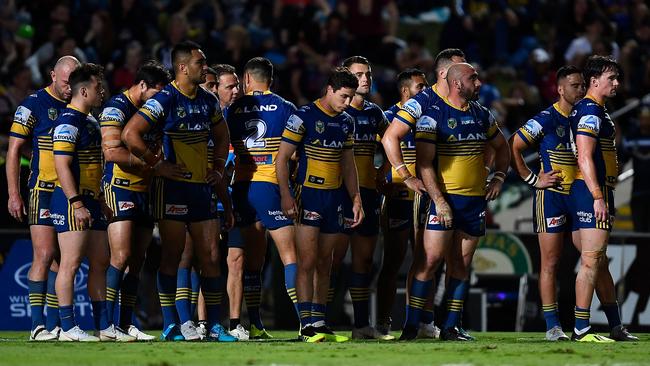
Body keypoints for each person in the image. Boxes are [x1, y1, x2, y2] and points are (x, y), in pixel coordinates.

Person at [122, 41, 233, 342]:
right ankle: (171, 324)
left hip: (201, 188)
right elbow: (130, 134)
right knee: (173, 255)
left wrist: (219, 168)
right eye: (200, 62)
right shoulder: (165, 100)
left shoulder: (208, 101)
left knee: (210, 256)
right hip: (172, 189)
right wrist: (157, 164)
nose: (205, 67)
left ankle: (214, 325)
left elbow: (223, 136)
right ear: (183, 67)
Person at [407, 63, 510, 341]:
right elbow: (424, 164)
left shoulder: (482, 114)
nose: (478, 82)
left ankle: (452, 327)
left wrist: (498, 177)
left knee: (461, 266)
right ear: (456, 83)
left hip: (474, 202)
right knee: (429, 262)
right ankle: (411, 326)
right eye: (472, 78)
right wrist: (439, 201)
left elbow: (503, 147)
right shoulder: (433, 116)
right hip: (445, 200)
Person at [276, 67, 363, 343]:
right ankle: (305, 326)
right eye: (344, 96)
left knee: (327, 263)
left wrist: (356, 198)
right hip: (308, 195)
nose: (347, 103)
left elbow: (348, 164)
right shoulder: (303, 116)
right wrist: (286, 195)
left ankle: (320, 321)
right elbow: (281, 159)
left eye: (351, 97)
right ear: (329, 89)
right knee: (308, 261)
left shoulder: (347, 121)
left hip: (334, 198)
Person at [51, 63, 128, 341]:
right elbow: (61, 165)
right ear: (83, 90)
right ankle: (68, 327)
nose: (102, 91)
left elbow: (94, 166)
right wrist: (77, 202)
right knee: (70, 264)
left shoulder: (91, 122)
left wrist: (98, 201)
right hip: (73, 201)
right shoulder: (67, 121)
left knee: (100, 262)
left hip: (92, 201)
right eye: (98, 86)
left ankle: (104, 327)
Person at [7, 55, 79, 341]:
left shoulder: (78, 106)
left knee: (64, 259)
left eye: (73, 83)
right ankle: (37, 326)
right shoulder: (33, 104)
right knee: (45, 253)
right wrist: (14, 193)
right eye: (65, 82)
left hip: (71, 191)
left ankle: (57, 326)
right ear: (52, 75)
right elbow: (14, 150)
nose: (69, 88)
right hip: (42, 189)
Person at [227, 57, 300, 340]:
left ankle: (255, 323)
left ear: (246, 79)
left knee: (253, 262)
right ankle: (306, 324)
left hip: (242, 188)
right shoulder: (285, 108)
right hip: (270, 187)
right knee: (290, 256)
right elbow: (294, 153)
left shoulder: (232, 110)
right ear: (271, 79)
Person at [510, 66, 584, 341]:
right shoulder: (546, 118)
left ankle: (588, 324)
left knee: (591, 257)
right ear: (560, 89)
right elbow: (513, 145)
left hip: (580, 196)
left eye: (582, 85)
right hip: (551, 197)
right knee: (550, 262)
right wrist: (533, 179)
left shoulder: (586, 118)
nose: (580, 90)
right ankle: (553, 326)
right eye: (575, 85)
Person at [99, 61, 171, 341]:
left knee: (138, 260)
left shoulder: (153, 111)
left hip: (145, 191)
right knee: (120, 256)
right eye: (156, 93)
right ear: (142, 86)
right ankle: (106, 325)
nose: (159, 101)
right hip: (119, 188)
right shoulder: (116, 108)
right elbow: (112, 153)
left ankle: (127, 325)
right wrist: (150, 165)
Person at [569, 55, 637, 342]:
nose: (617, 83)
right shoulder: (590, 111)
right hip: (590, 191)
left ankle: (615, 326)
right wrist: (598, 196)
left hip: (590, 190)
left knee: (599, 262)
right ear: (594, 81)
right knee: (591, 260)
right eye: (612, 78)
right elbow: (584, 156)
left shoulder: (595, 109)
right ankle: (581, 329)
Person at [329, 56, 391, 340]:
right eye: (359, 74)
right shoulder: (336, 112)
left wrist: (383, 172)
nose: (365, 79)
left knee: (363, 262)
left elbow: (394, 142)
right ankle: (320, 322)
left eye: (368, 74)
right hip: (340, 194)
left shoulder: (375, 113)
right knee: (333, 260)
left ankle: (362, 325)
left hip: (367, 193)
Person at [375, 68, 430, 338]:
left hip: (424, 199)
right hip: (398, 198)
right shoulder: (386, 118)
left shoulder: (430, 114)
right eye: (421, 86)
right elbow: (371, 156)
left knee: (425, 262)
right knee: (393, 261)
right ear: (405, 91)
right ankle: (383, 322)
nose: (426, 89)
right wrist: (381, 178)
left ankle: (419, 322)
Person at [381, 48, 466, 195]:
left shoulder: (462, 103)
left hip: (444, 189)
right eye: (420, 86)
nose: (465, 71)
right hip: (402, 191)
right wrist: (401, 177)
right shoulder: (411, 107)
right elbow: (382, 144)